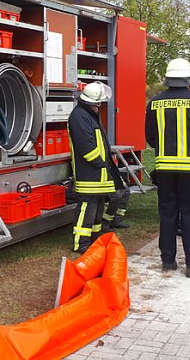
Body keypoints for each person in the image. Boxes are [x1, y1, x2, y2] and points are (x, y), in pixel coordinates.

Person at [145, 58, 190, 278]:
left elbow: (150, 137)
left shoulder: (154, 102)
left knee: (167, 215)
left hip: (164, 170)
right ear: (188, 79)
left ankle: (168, 262)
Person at [68, 81, 118, 254]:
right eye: (99, 103)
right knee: (86, 208)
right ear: (93, 102)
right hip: (89, 172)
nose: (100, 106)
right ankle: (80, 243)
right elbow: (85, 146)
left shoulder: (88, 114)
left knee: (96, 209)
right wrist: (100, 162)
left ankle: (94, 240)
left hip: (98, 173)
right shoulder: (79, 116)